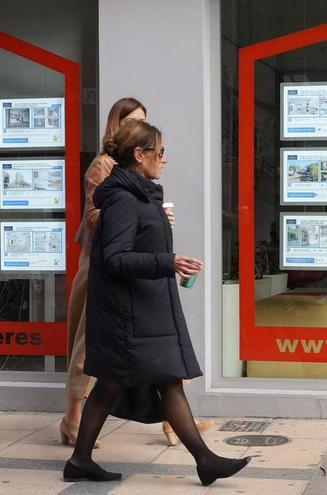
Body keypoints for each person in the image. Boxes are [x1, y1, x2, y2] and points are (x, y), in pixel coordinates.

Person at [63, 120, 250, 486]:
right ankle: (204, 461)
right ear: (139, 154)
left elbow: (140, 245)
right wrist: (169, 262)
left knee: (123, 383)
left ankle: (81, 459)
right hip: (128, 314)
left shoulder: (140, 195)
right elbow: (116, 258)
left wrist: (169, 256)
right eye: (159, 152)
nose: (164, 159)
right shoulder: (123, 199)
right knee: (155, 380)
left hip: (143, 310)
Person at [62, 97, 210, 448]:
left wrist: (155, 216)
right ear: (118, 126)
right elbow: (95, 216)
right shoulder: (104, 166)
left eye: (142, 120)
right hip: (103, 268)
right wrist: (142, 217)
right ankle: (73, 419)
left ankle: (174, 424)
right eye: (131, 121)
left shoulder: (143, 173)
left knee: (156, 351)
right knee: (91, 349)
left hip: (138, 267)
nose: (138, 126)